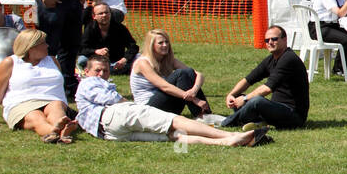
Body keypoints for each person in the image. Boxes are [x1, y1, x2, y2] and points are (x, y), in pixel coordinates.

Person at [76, 55, 268, 146]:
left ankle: (227, 142)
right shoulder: (89, 83)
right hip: (119, 114)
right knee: (175, 121)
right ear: (87, 72)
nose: (101, 74)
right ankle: (227, 135)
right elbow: (111, 100)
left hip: (110, 133)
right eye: (97, 71)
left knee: (174, 135)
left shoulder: (87, 93)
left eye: (105, 70)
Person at [0, 29, 78, 143]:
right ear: (31, 47)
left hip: (53, 100)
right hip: (22, 104)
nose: (47, 46)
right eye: (43, 43)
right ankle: (55, 130)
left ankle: (58, 127)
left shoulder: (52, 61)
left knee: (56, 107)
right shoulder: (10, 63)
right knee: (35, 116)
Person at [222, 25, 311, 130]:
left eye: (274, 39)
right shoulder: (271, 59)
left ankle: (226, 122)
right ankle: (257, 122)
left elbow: (267, 88)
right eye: (267, 40)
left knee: (256, 101)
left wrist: (245, 99)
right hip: (277, 109)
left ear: (284, 39)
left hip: (294, 116)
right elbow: (248, 80)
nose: (270, 42)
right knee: (240, 97)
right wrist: (232, 95)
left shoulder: (288, 59)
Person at [131, 29, 212, 118]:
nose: (165, 45)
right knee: (181, 74)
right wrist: (195, 99)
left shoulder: (168, 60)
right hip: (148, 109)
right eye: (160, 43)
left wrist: (193, 91)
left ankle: (205, 114)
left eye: (167, 42)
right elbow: (164, 87)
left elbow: (199, 75)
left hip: (165, 104)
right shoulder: (142, 63)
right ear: (151, 45)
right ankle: (201, 115)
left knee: (189, 72)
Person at [79, 1, 138, 74]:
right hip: (97, 60)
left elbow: (133, 46)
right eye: (101, 13)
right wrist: (96, 51)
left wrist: (124, 59)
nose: (104, 15)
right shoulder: (90, 29)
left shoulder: (120, 28)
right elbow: (81, 49)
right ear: (94, 16)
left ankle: (103, 70)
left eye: (106, 13)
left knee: (138, 58)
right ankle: (110, 70)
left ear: (110, 14)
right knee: (82, 60)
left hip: (117, 61)